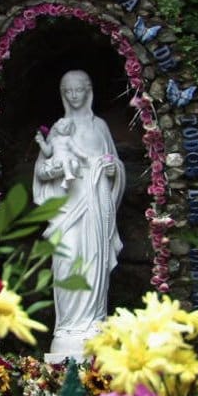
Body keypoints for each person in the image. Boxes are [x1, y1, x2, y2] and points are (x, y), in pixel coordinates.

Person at [32, 70, 126, 362]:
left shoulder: (100, 127)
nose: (74, 96)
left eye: (78, 90)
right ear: (63, 94)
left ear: (88, 91)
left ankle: (94, 324)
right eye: (68, 91)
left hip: (95, 202)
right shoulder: (58, 129)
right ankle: (67, 328)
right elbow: (41, 170)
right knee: (67, 259)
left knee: (94, 261)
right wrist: (58, 169)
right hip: (67, 207)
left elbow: (115, 164)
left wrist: (112, 170)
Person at [34, 117, 89, 189]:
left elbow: (75, 149)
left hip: (67, 158)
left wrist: (83, 155)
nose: (65, 128)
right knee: (43, 172)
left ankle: (67, 180)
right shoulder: (53, 140)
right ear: (56, 126)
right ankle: (68, 175)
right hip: (57, 160)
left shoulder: (68, 139)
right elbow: (48, 153)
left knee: (73, 164)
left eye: (67, 127)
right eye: (62, 124)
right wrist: (41, 142)